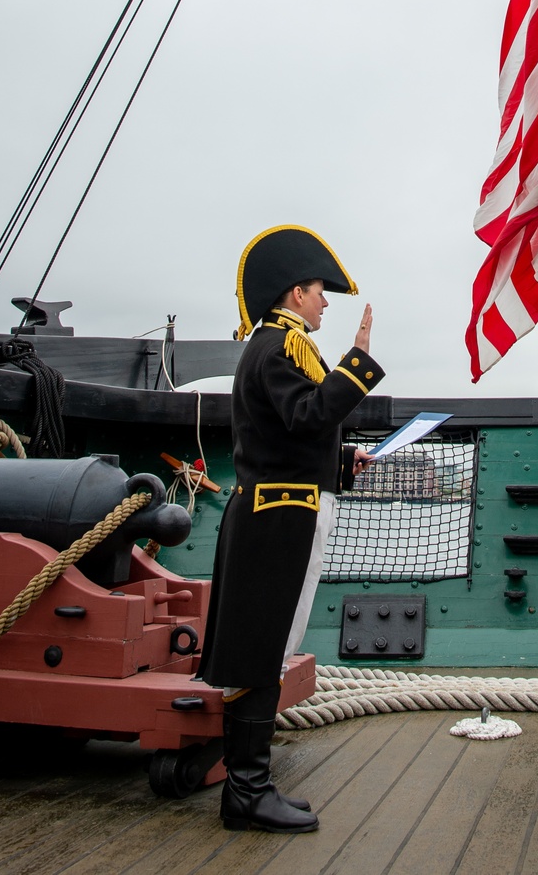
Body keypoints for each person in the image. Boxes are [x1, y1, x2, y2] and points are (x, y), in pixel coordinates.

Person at [198, 224, 386, 834]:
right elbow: (307, 414)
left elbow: (284, 435)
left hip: (279, 507)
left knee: (265, 646)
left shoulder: (278, 345)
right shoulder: (282, 346)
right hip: (276, 516)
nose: (326, 301)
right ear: (293, 293)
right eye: (318, 291)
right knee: (261, 649)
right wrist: (357, 362)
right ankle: (247, 790)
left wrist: (338, 461)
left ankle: (250, 784)